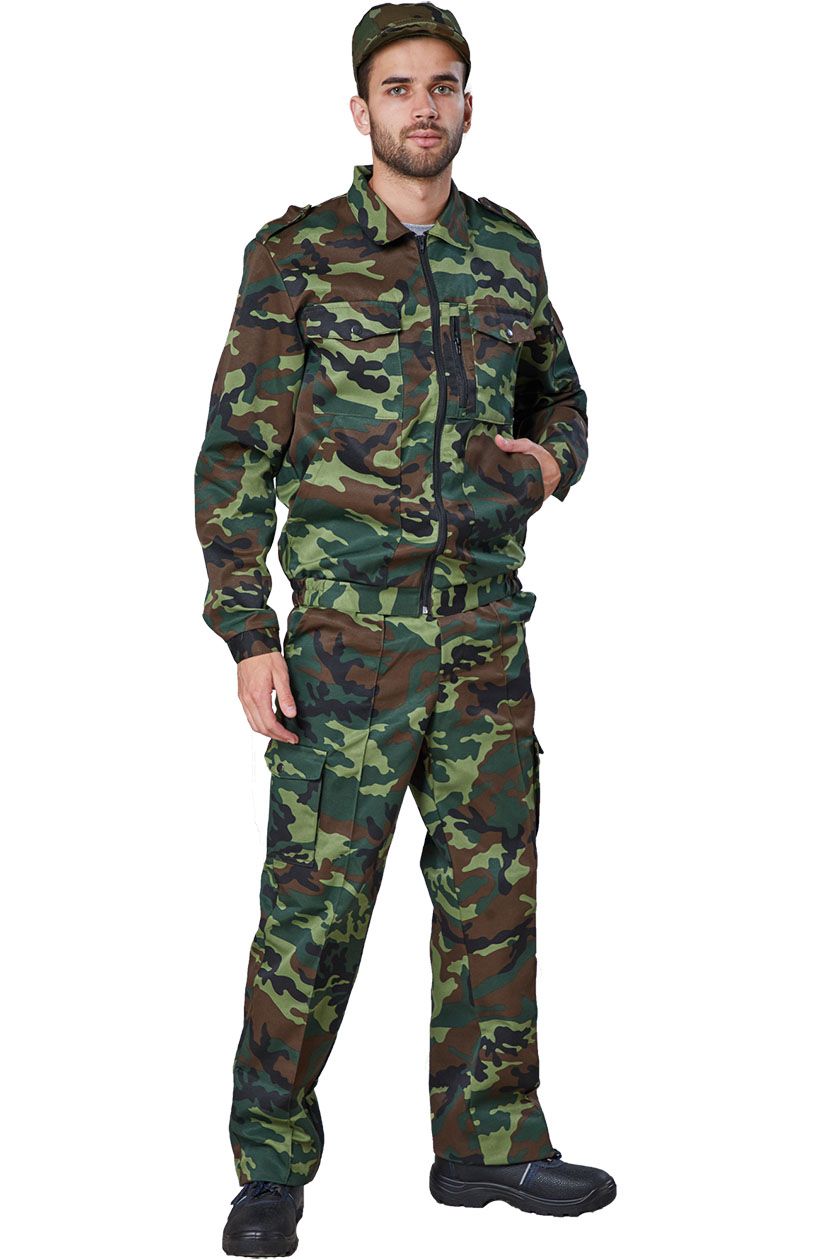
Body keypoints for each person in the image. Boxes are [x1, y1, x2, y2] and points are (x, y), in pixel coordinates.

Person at [194, 4, 616, 1254]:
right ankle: (270, 1169)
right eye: (397, 87)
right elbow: (236, 452)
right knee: (312, 916)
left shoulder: (508, 250)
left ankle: (489, 1146)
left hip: (485, 638)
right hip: (346, 649)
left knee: (492, 898)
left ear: (468, 104)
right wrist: (248, 632)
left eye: (442, 85)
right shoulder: (298, 254)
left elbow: (563, 396)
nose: (422, 107)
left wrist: (552, 462)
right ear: (361, 109)